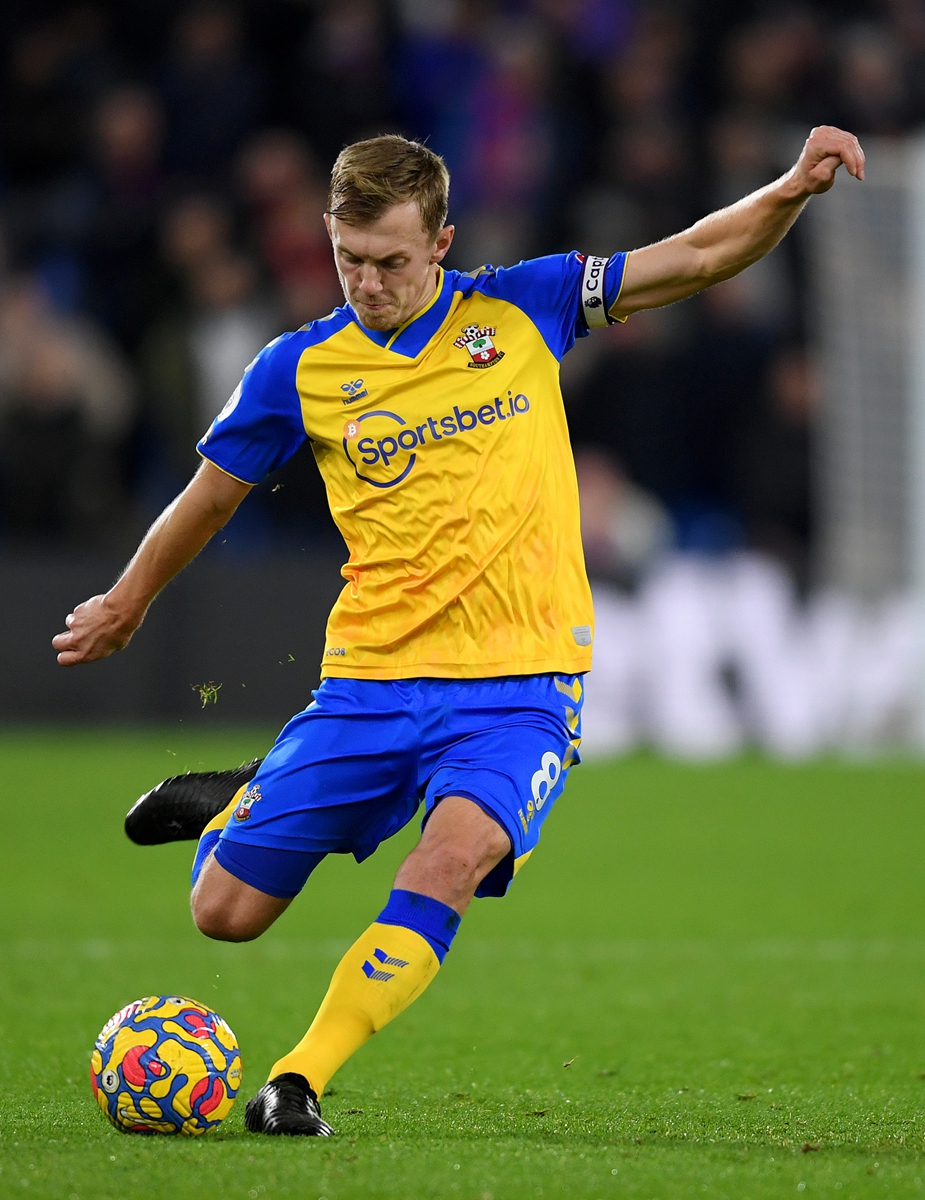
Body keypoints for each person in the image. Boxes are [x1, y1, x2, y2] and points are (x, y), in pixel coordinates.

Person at [53, 128, 864, 1136]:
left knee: (451, 858)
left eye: (391, 261)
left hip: (520, 685)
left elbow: (696, 255)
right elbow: (207, 499)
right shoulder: (298, 368)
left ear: (442, 241)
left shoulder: (522, 305)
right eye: (351, 261)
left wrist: (787, 189)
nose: (371, 283)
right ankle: (236, 805)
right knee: (223, 915)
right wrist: (128, 602)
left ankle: (297, 1079)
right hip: (370, 682)